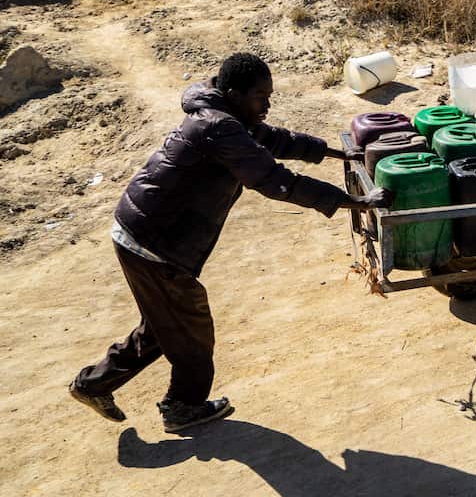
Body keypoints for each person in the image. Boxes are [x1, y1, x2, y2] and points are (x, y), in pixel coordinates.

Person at [69, 53, 389, 432]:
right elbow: (274, 180)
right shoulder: (219, 127)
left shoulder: (228, 115)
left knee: (165, 325)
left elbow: (275, 140)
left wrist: (338, 152)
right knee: (192, 330)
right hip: (155, 244)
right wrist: (352, 200)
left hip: (137, 231)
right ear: (235, 94)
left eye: (269, 96)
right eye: (260, 97)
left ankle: (93, 384)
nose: (267, 105)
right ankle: (183, 406)